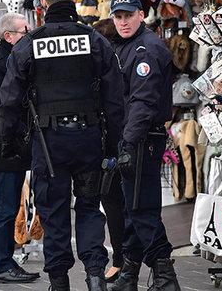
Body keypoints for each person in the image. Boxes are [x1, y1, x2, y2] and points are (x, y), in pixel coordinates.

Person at [0, 0, 124, 291]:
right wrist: (112, 143)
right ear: (73, 1)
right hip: (87, 137)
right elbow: (113, 97)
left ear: (42, 3)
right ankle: (95, 274)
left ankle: (58, 280)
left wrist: (10, 142)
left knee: (53, 212)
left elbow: (10, 98)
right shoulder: (94, 40)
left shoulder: (30, 44)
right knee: (88, 207)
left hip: (49, 141)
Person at [109, 0, 181, 291]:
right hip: (134, 137)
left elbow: (142, 102)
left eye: (128, 15)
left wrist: (128, 142)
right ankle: (128, 275)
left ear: (141, 14)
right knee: (133, 208)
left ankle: (165, 277)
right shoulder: (127, 46)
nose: (123, 21)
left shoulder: (145, 50)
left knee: (141, 209)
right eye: (118, 16)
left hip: (140, 138)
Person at [0, 12, 40, 284]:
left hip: (16, 144)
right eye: (23, 32)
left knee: (9, 205)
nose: (28, 36)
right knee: (3, 208)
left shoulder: (16, 60)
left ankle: (6, 261)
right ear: (9, 36)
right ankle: (1, 265)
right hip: (4, 146)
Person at [92, 18, 124, 283]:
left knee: (112, 201)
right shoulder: (120, 59)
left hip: (112, 140)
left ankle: (122, 261)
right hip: (123, 138)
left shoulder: (108, 65)